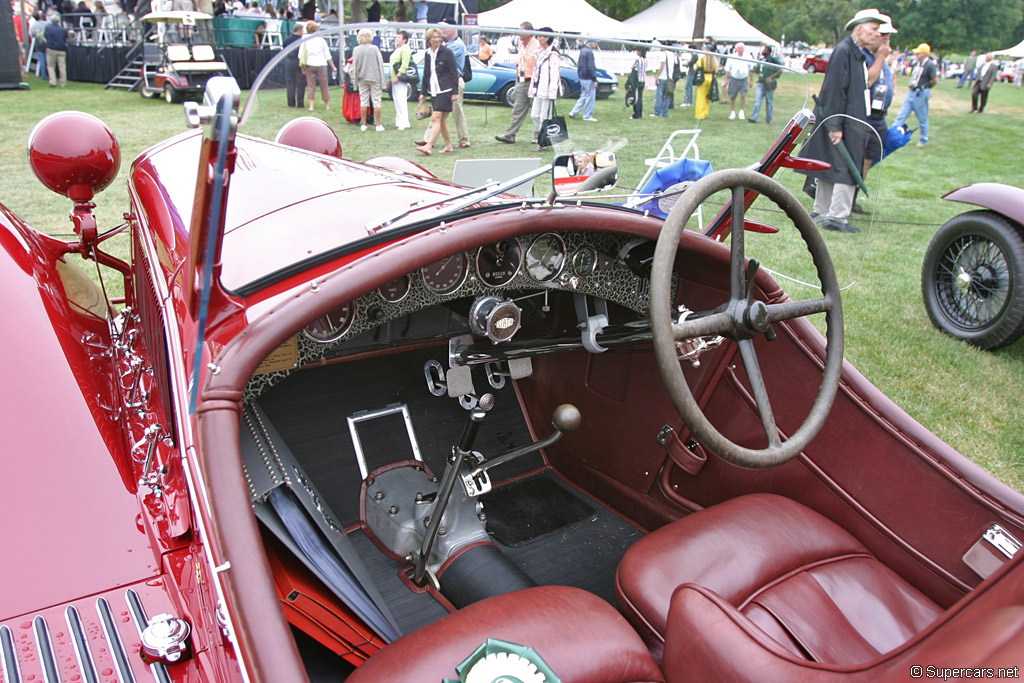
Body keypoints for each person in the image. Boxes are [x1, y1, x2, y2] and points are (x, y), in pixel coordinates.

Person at [797, 8, 885, 233]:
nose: (878, 34)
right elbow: (834, 90)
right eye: (874, 29)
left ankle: (825, 211)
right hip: (841, 121)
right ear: (859, 29)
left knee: (832, 165)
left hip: (847, 120)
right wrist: (835, 125)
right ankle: (835, 216)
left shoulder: (855, 53)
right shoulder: (844, 51)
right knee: (844, 166)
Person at [495, 22, 537, 144]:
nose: (518, 33)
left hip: (533, 82)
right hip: (521, 81)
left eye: (521, 31)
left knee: (537, 111)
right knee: (518, 108)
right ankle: (510, 135)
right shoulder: (521, 46)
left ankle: (539, 136)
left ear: (528, 32)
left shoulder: (537, 45)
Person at [417, 27, 457, 155]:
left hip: (445, 89)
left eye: (439, 37)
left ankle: (428, 145)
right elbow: (427, 74)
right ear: (429, 39)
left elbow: (454, 72)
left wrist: (454, 92)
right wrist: (423, 92)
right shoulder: (428, 54)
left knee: (436, 117)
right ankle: (449, 145)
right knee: (442, 120)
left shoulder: (447, 53)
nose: (437, 39)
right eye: (434, 37)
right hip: (433, 89)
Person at [892, 43, 937, 147]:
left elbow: (934, 80)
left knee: (922, 117)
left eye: (918, 53)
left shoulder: (930, 65)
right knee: (902, 115)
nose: (916, 55)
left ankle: (923, 140)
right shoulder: (917, 63)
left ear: (924, 54)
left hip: (920, 93)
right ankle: (892, 134)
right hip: (911, 92)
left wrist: (926, 88)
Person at [529, 27, 561, 150]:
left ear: (547, 38)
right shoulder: (540, 53)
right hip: (538, 90)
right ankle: (541, 137)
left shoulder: (553, 54)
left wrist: (552, 93)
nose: (538, 38)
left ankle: (543, 142)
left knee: (544, 117)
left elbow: (554, 75)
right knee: (534, 115)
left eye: (540, 36)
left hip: (547, 91)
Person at [353, 28, 386, 131]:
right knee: (376, 101)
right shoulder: (374, 48)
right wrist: (382, 81)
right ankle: (378, 125)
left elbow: (355, 66)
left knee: (363, 101)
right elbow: (380, 64)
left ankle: (364, 124)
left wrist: (355, 81)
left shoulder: (356, 49)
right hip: (374, 77)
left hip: (362, 78)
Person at [443, 25, 470, 148]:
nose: (443, 32)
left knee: (457, 112)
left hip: (455, 81)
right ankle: (428, 139)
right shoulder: (449, 44)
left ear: (453, 29)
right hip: (446, 81)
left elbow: (444, 57)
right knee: (439, 111)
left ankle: (464, 140)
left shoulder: (457, 45)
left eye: (445, 29)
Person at [301, 21, 337, 111]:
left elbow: (301, 55)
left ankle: (311, 106)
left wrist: (303, 67)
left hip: (310, 64)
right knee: (324, 85)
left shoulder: (305, 41)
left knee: (311, 85)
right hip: (321, 64)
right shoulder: (321, 40)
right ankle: (327, 105)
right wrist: (333, 66)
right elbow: (327, 55)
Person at [748, 45, 782, 124]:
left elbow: (780, 70)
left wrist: (771, 77)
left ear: (769, 51)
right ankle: (754, 118)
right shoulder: (761, 60)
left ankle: (769, 119)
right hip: (761, 82)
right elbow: (756, 69)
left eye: (765, 49)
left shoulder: (773, 60)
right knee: (757, 100)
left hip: (769, 84)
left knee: (769, 102)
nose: (763, 51)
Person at [568, 37, 598, 122]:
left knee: (583, 95)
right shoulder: (589, 52)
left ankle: (574, 112)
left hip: (582, 77)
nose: (596, 45)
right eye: (595, 42)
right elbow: (591, 66)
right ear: (591, 43)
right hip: (588, 77)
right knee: (590, 97)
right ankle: (587, 116)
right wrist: (594, 79)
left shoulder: (582, 51)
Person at [389, 29, 413, 130]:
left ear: (404, 40)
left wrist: (398, 76)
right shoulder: (397, 49)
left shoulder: (405, 49)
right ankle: (399, 121)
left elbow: (405, 64)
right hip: (394, 78)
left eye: (399, 37)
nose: (397, 39)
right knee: (396, 100)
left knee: (401, 99)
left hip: (400, 79)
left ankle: (404, 122)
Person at [724, 42, 752, 120]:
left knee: (743, 95)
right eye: (739, 48)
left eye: (742, 48)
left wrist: (751, 80)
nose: (740, 49)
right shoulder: (732, 57)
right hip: (733, 78)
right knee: (732, 96)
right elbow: (727, 69)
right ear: (736, 49)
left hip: (744, 78)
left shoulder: (748, 56)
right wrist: (725, 79)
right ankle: (732, 112)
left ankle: (741, 111)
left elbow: (751, 68)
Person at [283, 22, 305, 107]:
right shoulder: (302, 40)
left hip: (289, 60)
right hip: (299, 61)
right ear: (299, 31)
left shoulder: (287, 39)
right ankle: (300, 102)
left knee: (290, 82)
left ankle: (291, 102)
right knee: (301, 82)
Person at [43, 13, 68, 87]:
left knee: (51, 66)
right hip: (62, 49)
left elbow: (45, 36)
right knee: (62, 66)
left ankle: (53, 81)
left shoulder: (48, 28)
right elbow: (65, 38)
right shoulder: (63, 29)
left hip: (51, 48)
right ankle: (63, 83)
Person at [692, 50, 717, 120]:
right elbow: (716, 70)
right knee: (707, 96)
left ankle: (699, 114)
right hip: (710, 78)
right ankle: (705, 112)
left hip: (703, 78)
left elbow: (695, 68)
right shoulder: (714, 60)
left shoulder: (702, 59)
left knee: (700, 96)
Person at [627, 47, 646, 119]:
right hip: (643, 80)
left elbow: (633, 68)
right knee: (640, 97)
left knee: (636, 98)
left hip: (637, 80)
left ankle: (637, 114)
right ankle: (640, 113)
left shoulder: (638, 60)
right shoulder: (645, 60)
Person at [29, 12, 48, 79]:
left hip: (38, 42)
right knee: (48, 60)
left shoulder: (32, 26)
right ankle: (49, 74)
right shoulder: (46, 23)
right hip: (46, 42)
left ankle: (44, 75)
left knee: (41, 60)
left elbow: (31, 34)